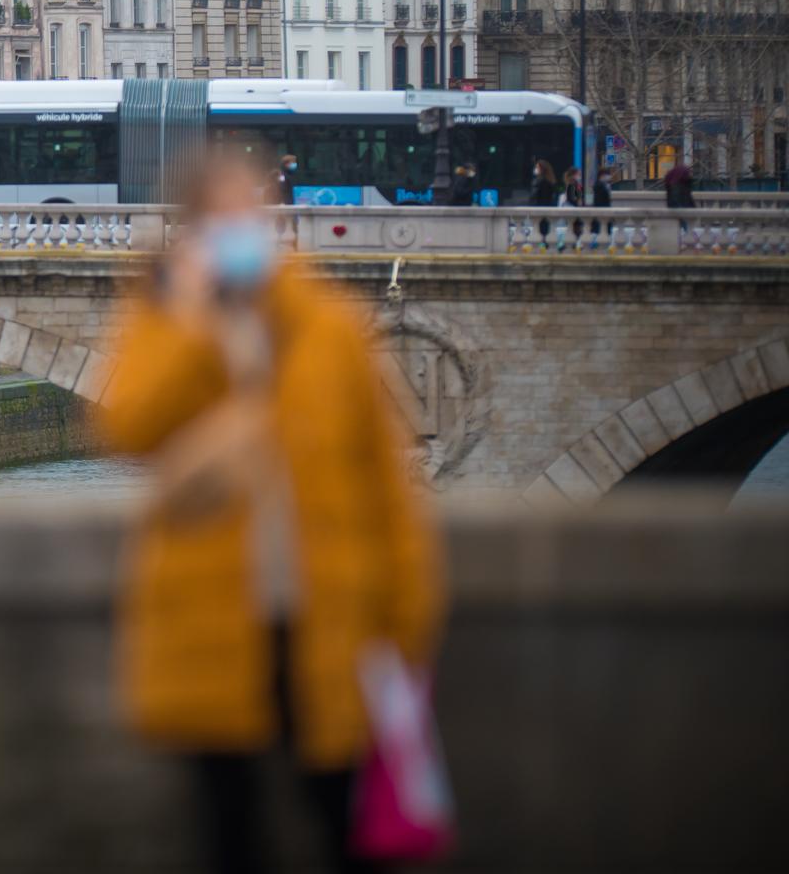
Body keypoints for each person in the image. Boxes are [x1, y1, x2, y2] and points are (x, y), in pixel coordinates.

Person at [98, 154, 444, 874]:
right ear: (190, 234)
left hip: (326, 618)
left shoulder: (330, 325)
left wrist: (408, 619)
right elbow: (127, 425)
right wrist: (193, 325)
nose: (237, 233)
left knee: (341, 819)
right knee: (231, 831)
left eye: (245, 216)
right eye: (218, 221)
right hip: (211, 625)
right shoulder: (160, 322)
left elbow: (386, 484)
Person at [530, 158, 560, 241]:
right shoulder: (549, 181)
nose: (535, 170)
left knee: (542, 231)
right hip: (547, 209)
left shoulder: (542, 182)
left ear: (542, 169)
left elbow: (537, 197)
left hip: (541, 209)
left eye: (537, 168)